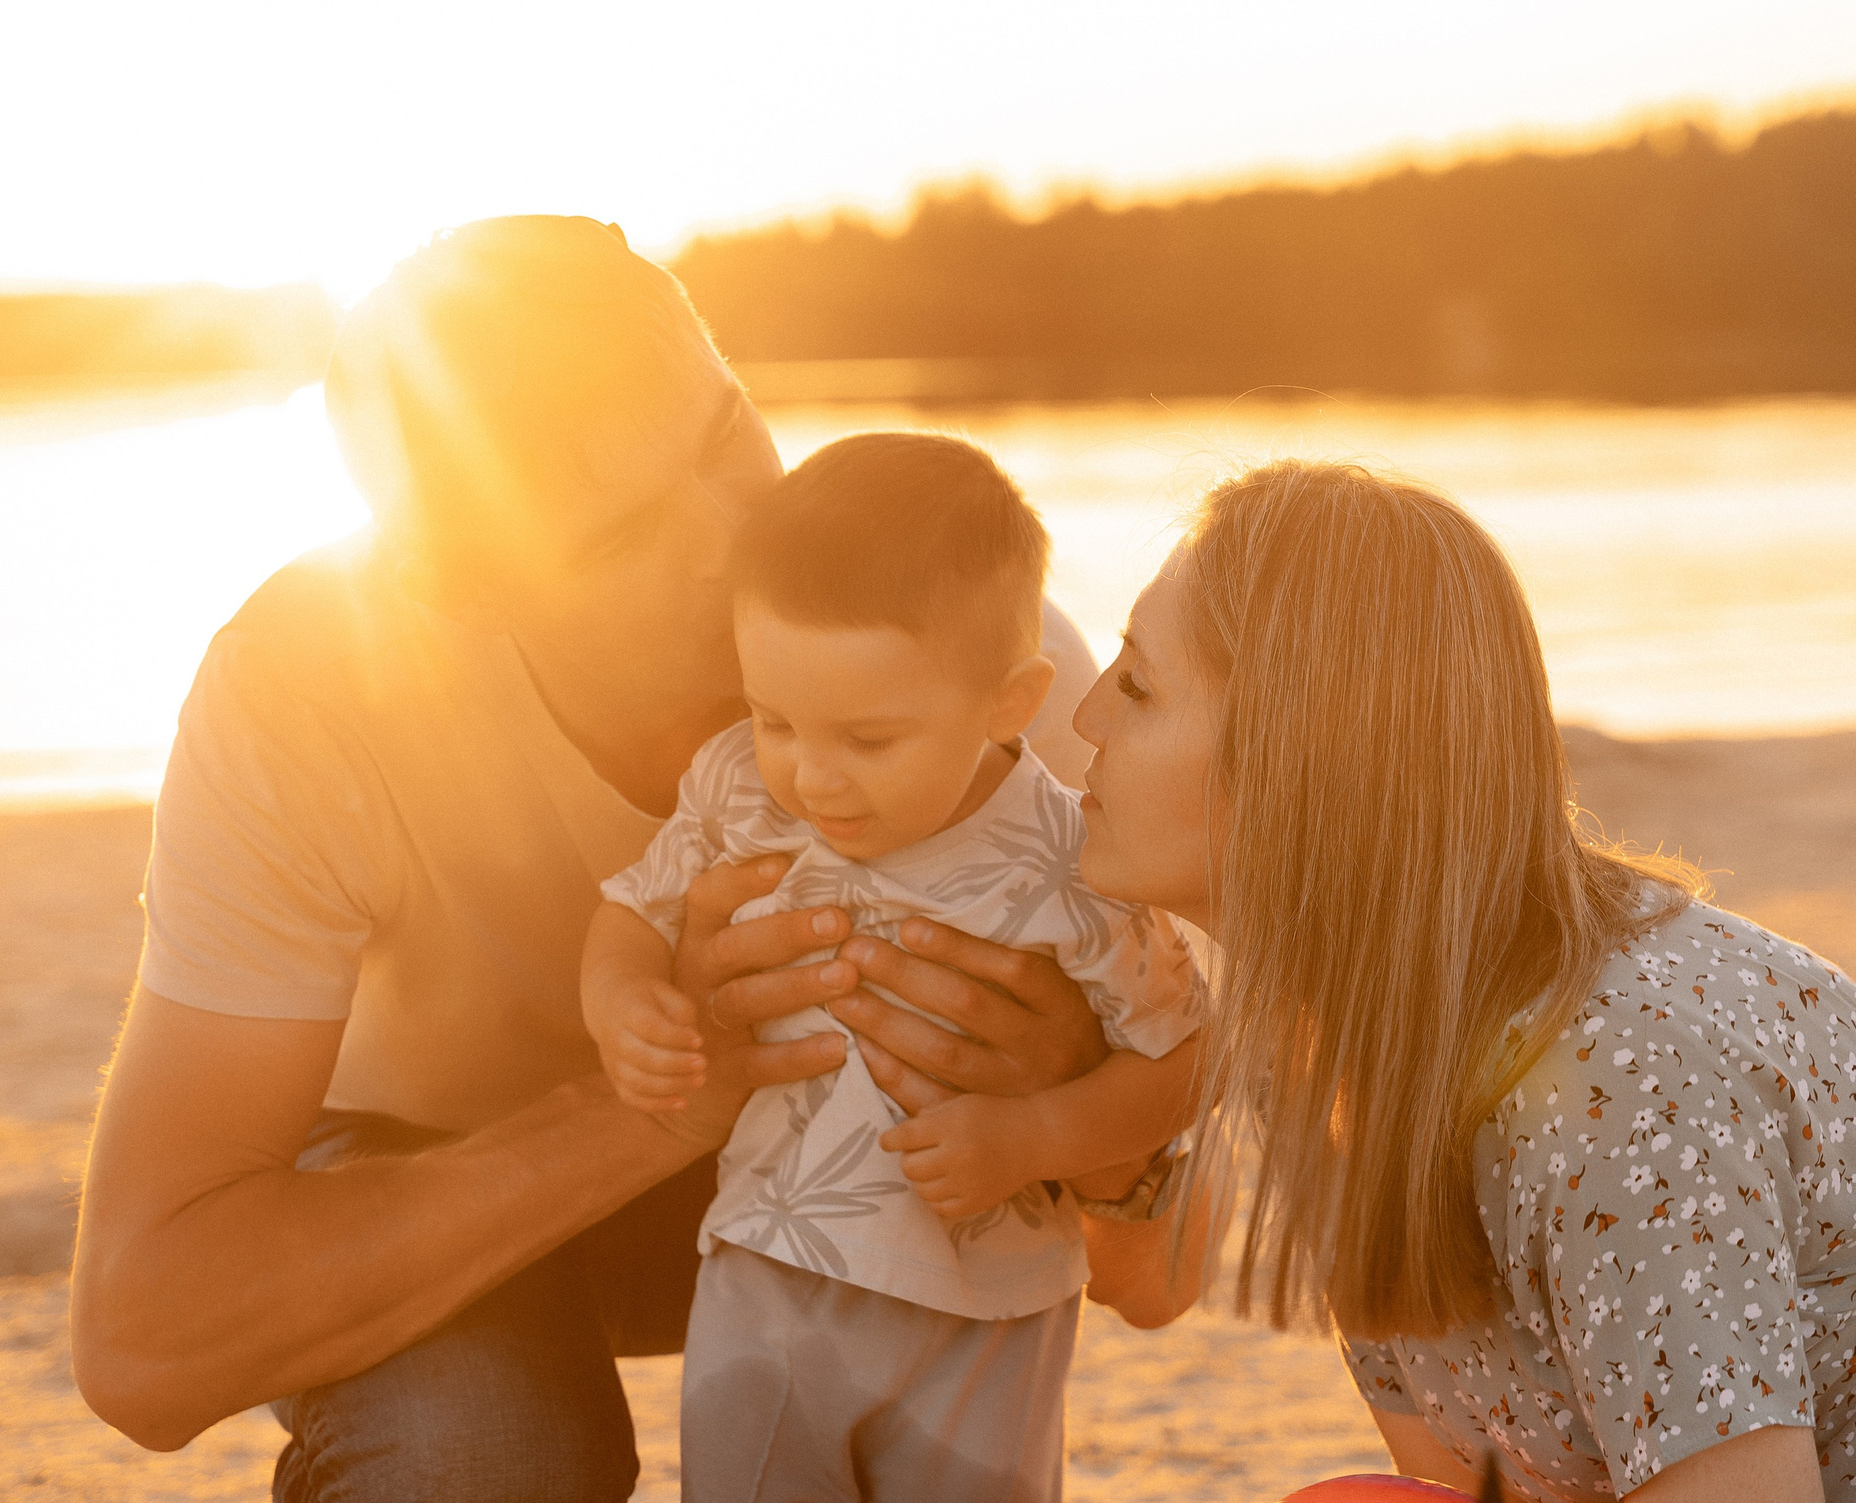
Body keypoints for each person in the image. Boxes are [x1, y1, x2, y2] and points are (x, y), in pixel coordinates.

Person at [66, 217, 1131, 1501]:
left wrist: (1078, 1108)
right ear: (456, 588)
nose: (736, 533)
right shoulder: (310, 689)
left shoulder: (963, 696)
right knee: (481, 1452)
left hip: (844, 1188)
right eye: (624, 535)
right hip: (423, 1179)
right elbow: (142, 1343)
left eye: (725, 434)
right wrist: (667, 1095)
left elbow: (1162, 1278)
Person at [1072, 459, 1856, 1502]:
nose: (1081, 721)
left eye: (1134, 686)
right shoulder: (1336, 1041)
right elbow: (1469, 1471)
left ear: (1296, 759)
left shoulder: (1613, 1072)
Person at [581, 432, 1208, 1502]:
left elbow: (1184, 1058)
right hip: (765, 1269)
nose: (812, 773)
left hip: (986, 1309)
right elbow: (631, 908)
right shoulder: (740, 784)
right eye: (775, 716)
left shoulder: (1071, 863)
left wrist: (1035, 1134)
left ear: (1009, 702)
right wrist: (622, 1001)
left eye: (869, 739)